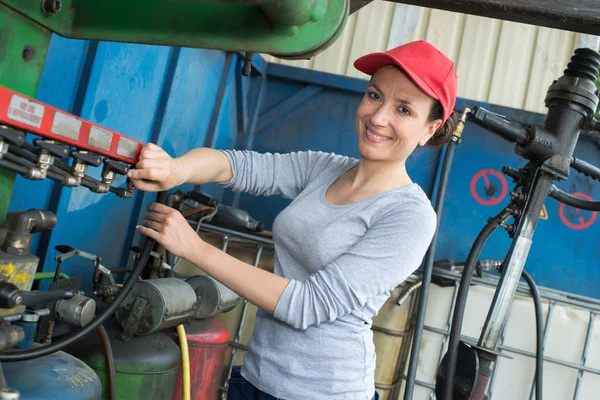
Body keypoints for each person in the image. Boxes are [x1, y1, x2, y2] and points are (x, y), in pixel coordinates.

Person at [128, 40, 458, 400]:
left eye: (405, 110)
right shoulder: (323, 168)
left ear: (430, 128)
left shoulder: (410, 216)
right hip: (256, 376)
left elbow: (308, 305)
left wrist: (195, 249)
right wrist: (175, 169)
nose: (378, 118)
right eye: (375, 96)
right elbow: (237, 165)